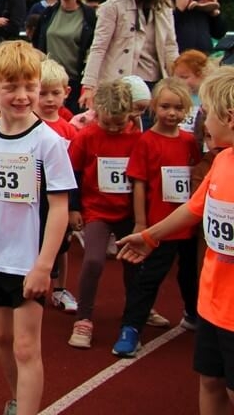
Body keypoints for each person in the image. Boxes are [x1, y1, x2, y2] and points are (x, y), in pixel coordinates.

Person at [0, 41, 75, 415]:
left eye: (31, 86)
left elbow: (59, 207)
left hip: (29, 261)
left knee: (26, 346)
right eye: (11, 87)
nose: (23, 96)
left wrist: (44, 266)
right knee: (0, 335)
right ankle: (15, 400)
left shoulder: (49, 143)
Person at [116, 66, 234, 415]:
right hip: (212, 303)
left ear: (229, 117)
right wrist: (149, 236)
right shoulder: (222, 161)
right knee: (210, 382)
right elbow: (194, 208)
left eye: (207, 114)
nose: (203, 124)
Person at [111, 78, 199, 357]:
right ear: (154, 107)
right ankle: (131, 328)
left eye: (178, 108)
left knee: (190, 274)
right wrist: (141, 222)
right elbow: (138, 183)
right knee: (148, 278)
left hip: (188, 224)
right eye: (165, 107)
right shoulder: (146, 141)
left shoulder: (189, 141)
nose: (172, 113)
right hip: (159, 225)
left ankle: (194, 314)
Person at [65, 79, 139, 349]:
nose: (114, 129)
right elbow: (72, 173)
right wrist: (74, 207)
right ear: (96, 113)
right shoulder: (86, 137)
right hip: (97, 209)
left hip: (129, 211)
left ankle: (137, 310)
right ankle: (83, 318)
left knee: (135, 265)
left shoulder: (137, 138)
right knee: (94, 261)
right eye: (108, 123)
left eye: (120, 123)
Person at [79, 0, 178, 112]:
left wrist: (177, 82)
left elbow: (170, 47)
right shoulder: (114, 5)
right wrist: (89, 86)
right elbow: (98, 47)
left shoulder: (164, 6)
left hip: (156, 84)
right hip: (122, 84)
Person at [35, 60, 81, 314]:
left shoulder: (69, 131)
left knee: (61, 243)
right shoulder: (26, 124)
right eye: (42, 93)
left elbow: (74, 172)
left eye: (55, 93)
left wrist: (74, 207)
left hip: (57, 197)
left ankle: (60, 288)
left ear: (67, 92)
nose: (49, 99)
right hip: (29, 196)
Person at [30, 0, 95, 114]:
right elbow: (37, 41)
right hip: (48, 78)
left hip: (75, 79)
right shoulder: (48, 13)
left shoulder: (89, 15)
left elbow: (93, 45)